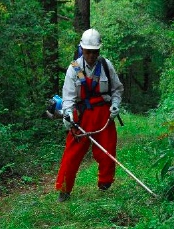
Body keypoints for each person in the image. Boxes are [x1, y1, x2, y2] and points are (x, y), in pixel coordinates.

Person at [55, 28, 124, 202]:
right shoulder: (74, 69)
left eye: (94, 52)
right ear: (82, 49)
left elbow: (117, 89)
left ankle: (105, 184)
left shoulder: (107, 66)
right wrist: (68, 115)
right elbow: (68, 97)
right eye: (88, 52)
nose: (91, 56)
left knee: (107, 150)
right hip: (82, 116)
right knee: (72, 154)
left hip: (104, 115)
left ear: (99, 50)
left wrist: (115, 105)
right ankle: (64, 190)